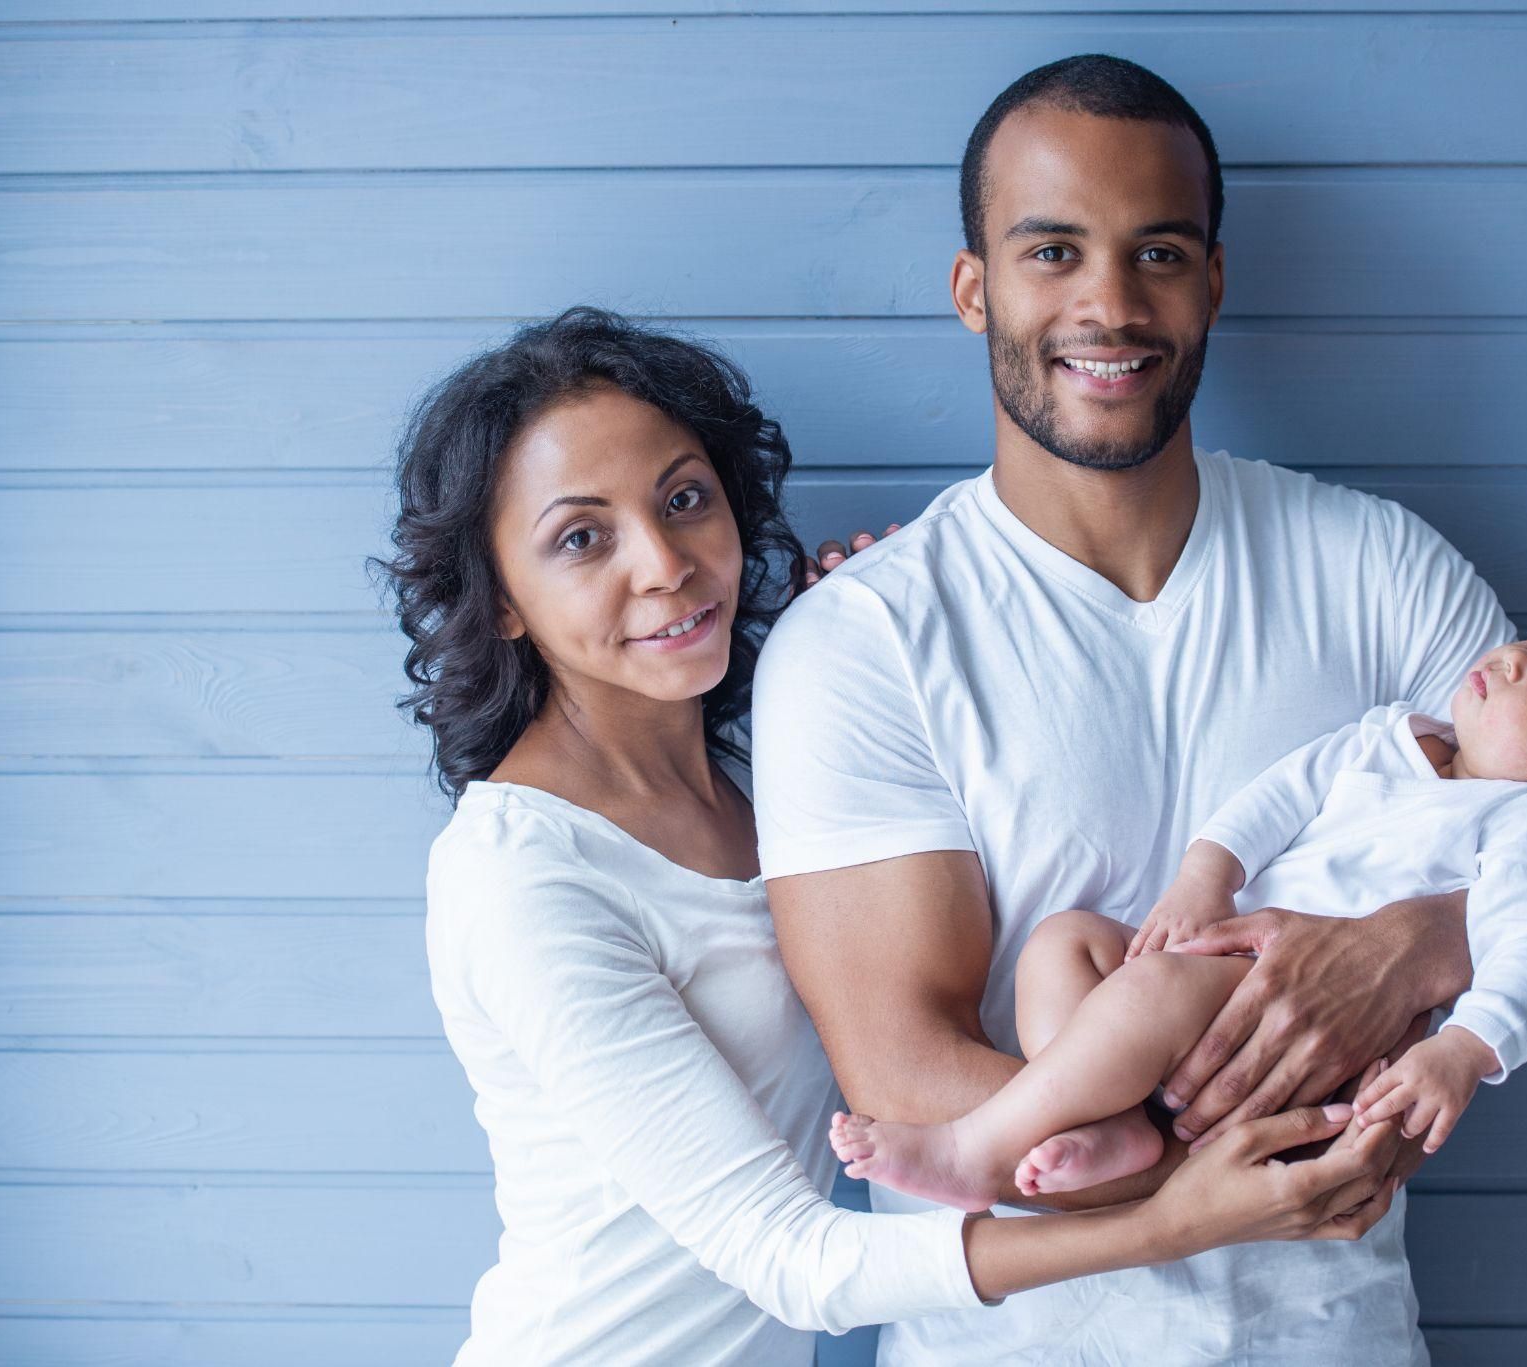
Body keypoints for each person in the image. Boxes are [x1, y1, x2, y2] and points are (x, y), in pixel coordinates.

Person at [751, 56, 1527, 1365]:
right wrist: (1195, 1184)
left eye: (1156, 251)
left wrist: (1417, 948)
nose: (1108, 302)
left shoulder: (1376, 566)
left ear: (1212, 278)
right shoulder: (862, 640)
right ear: (974, 287)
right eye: (1053, 250)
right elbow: (900, 1077)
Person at [380, 306, 1409, 1367]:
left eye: (683, 499)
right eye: (581, 537)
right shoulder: (520, 877)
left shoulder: (751, 789)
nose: (665, 563)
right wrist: (1173, 1222)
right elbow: (790, 1258)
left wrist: (838, 658)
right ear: (499, 596)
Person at [827, 614, 1527, 1209]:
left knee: (1148, 995)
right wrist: (1205, 877)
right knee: (1063, 944)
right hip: (1224, 950)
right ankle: (1108, 1126)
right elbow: (1275, 798)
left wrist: (1463, 1050)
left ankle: (977, 1153)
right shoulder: (1398, 734)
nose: (1512, 658)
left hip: (1306, 1047)